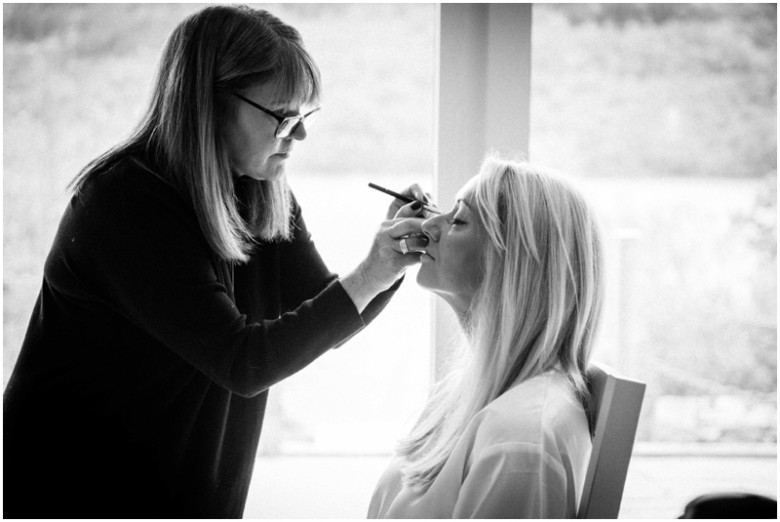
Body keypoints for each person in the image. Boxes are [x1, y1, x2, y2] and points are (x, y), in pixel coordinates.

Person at [3, 5, 427, 518]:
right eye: (283, 116)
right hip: (69, 489)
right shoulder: (126, 203)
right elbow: (243, 362)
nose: (299, 136)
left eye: (305, 116)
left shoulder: (257, 189)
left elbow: (328, 317)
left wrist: (391, 260)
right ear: (209, 104)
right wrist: (371, 272)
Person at [368, 155, 605, 518]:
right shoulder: (464, 394)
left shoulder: (519, 441)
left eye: (458, 219)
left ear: (515, 264)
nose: (428, 224)